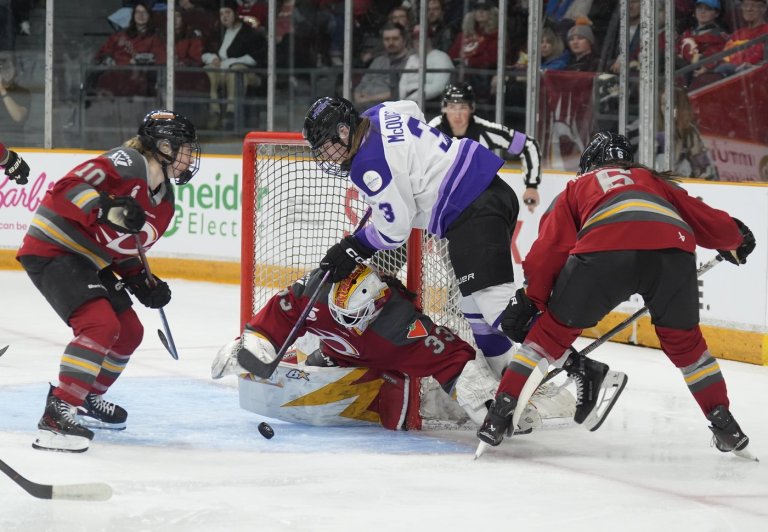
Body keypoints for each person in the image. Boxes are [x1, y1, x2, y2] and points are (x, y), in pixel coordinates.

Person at [477, 131, 756, 460]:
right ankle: (723, 421)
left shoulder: (577, 187)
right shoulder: (653, 180)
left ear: (590, 161)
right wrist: (736, 239)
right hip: (673, 254)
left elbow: (549, 250)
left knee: (548, 336)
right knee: (688, 346)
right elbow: (705, 218)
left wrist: (534, 298)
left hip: (604, 251)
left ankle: (498, 416)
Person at [16, 110, 201, 453]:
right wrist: (105, 207)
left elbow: (122, 248)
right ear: (164, 147)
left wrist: (140, 279)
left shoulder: (164, 204)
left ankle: (86, 396)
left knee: (130, 332)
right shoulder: (125, 163)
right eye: (187, 149)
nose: (191, 158)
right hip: (54, 248)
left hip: (91, 261)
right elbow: (66, 188)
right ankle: (57, 413)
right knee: (99, 325)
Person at [302, 96, 522, 380]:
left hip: (472, 209)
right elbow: (413, 109)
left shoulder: (367, 166)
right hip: (487, 192)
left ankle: (568, 361)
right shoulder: (379, 112)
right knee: (475, 310)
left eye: (325, 146)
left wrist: (352, 247)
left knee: (498, 311)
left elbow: (393, 232)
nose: (325, 155)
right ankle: (509, 382)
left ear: (344, 132)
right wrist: (414, 160)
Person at [212, 264, 575, 431]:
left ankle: (533, 398)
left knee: (431, 402)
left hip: (390, 369)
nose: (344, 322)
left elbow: (453, 357)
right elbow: (275, 318)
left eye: (352, 318)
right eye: (339, 315)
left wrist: (486, 401)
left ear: (374, 307)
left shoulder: (401, 325)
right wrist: (250, 347)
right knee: (309, 348)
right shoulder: (315, 292)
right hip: (339, 356)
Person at [428, 82, 543, 212]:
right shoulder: (432, 131)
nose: (457, 115)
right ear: (444, 108)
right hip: (440, 204)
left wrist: (532, 186)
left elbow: (529, 145)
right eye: (452, 107)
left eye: (463, 107)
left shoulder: (485, 130)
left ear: (472, 108)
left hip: (477, 205)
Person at [202, 0, 267, 129]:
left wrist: (231, 62)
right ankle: (214, 111)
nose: (224, 17)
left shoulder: (249, 33)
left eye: (227, 13)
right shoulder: (218, 32)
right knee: (209, 69)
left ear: (235, 14)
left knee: (235, 70)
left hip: (248, 74)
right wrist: (212, 58)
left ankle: (231, 113)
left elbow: (255, 58)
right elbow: (204, 52)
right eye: (221, 14)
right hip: (222, 71)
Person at [93, 1, 166, 97]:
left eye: (144, 13)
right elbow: (103, 53)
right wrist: (107, 58)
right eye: (138, 12)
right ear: (133, 15)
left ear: (150, 16)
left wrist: (144, 61)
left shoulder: (156, 37)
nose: (141, 15)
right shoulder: (120, 35)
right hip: (116, 78)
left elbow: (161, 59)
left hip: (142, 81)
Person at [353, 22, 414, 107]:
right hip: (363, 105)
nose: (391, 42)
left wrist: (369, 98)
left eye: (395, 39)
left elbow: (400, 92)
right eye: (387, 39)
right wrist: (358, 98)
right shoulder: (379, 60)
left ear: (404, 40)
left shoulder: (412, 61)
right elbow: (362, 84)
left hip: (389, 107)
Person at [0, 50, 30, 131]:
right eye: (2, 68)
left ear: (15, 69)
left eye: (9, 67)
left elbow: (18, 117)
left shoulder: (22, 92)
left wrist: (2, 90)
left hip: (13, 137)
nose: (5, 71)